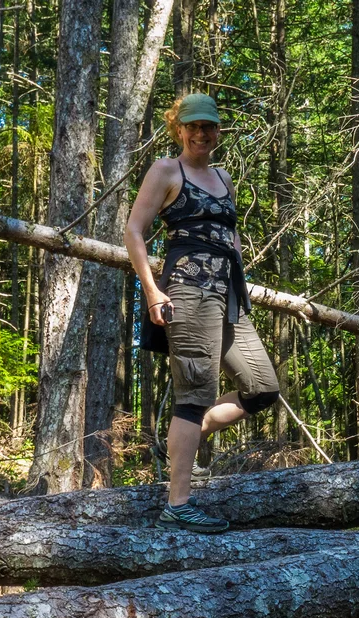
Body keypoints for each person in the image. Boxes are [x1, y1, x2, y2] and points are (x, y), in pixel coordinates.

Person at [125, 92, 280, 533]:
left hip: (227, 296)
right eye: (192, 126)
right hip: (187, 291)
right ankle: (178, 503)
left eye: (208, 127)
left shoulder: (223, 177)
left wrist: (241, 282)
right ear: (179, 129)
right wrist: (153, 291)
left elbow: (230, 238)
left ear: (217, 132)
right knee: (193, 397)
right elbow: (135, 231)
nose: (201, 134)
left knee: (262, 388)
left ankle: (178, 446)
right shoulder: (165, 170)